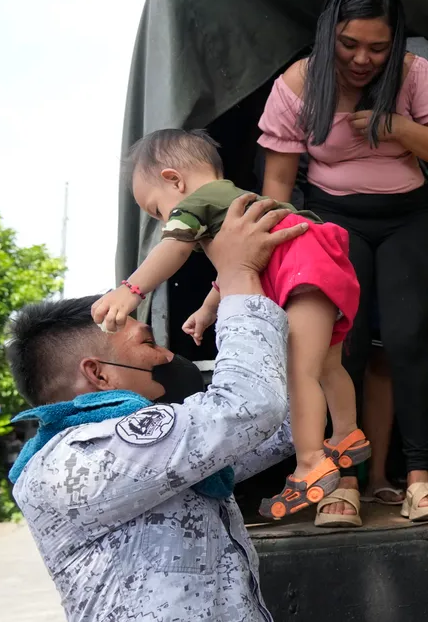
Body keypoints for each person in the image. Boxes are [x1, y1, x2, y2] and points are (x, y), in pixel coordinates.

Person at [7, 195, 305, 621]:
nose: (167, 356)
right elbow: (248, 408)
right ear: (99, 375)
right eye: (147, 344)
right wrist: (238, 274)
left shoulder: (163, 457)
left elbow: (277, 427)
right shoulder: (78, 460)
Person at [257, 0, 428, 522]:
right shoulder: (298, 85)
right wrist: (276, 249)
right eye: (350, 44)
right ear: (329, 34)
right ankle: (342, 480)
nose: (362, 59)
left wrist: (397, 126)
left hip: (405, 219)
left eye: (378, 47)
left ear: (396, 42)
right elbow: (277, 185)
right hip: (331, 220)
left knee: (405, 340)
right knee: (335, 350)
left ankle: (418, 477)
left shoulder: (413, 74)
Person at [91, 129, 367, 524]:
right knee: (326, 365)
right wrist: (207, 310)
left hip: (299, 270)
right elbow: (232, 267)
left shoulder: (198, 201)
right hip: (319, 260)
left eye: (156, 210)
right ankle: (346, 433)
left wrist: (132, 290)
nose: (163, 219)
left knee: (298, 372)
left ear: (174, 180)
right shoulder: (236, 201)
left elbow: (175, 246)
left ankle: (310, 463)